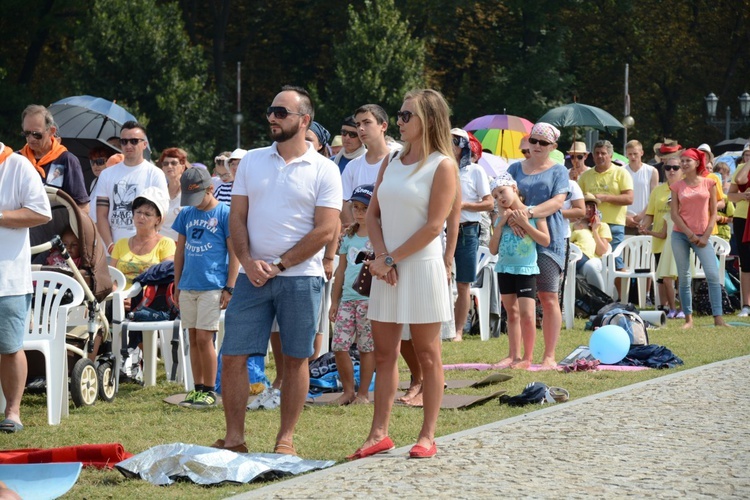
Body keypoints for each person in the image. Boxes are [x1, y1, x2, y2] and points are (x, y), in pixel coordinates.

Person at [216, 86, 341, 456]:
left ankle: (285, 438)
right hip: (252, 276)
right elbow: (237, 218)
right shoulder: (252, 160)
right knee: (234, 355)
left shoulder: (326, 170)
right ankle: (235, 438)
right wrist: (249, 261)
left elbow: (326, 229)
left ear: (305, 121)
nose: (271, 116)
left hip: (301, 277)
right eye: (270, 110)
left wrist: (280, 264)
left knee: (296, 357)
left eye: (281, 112)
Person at [349, 89, 457, 461]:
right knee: (384, 353)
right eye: (399, 114)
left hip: (421, 266)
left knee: (427, 353)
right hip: (387, 266)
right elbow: (373, 215)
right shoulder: (391, 160)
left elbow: (434, 226)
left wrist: (391, 260)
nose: (400, 120)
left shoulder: (442, 164)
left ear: (428, 120)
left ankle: (428, 435)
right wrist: (382, 258)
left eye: (406, 115)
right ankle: (378, 433)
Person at [172, 168, 238, 408]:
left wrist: (229, 286)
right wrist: (177, 283)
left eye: (197, 198)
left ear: (210, 189)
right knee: (192, 337)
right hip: (188, 285)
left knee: (204, 337)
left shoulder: (224, 214)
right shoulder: (187, 214)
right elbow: (179, 251)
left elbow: (234, 254)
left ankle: (210, 389)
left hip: (212, 285)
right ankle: (197, 387)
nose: (194, 204)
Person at [507, 122, 568, 369]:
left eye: (543, 143)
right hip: (517, 237)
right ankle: (520, 356)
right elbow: (501, 196)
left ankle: (549, 355)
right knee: (517, 300)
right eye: (534, 141)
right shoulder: (514, 168)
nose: (537, 146)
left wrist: (527, 213)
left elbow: (557, 202)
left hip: (547, 238)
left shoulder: (559, 171)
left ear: (553, 146)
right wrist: (515, 220)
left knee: (548, 295)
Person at [0, 141, 52, 433]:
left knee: (9, 347)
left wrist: (0, 217)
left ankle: (13, 412)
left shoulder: (17, 165)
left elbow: (42, 212)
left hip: (6, 278)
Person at [488, 173, 549, 370]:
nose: (500, 198)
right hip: (505, 268)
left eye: (502, 192)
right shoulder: (501, 217)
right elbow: (492, 249)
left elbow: (545, 240)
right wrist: (501, 224)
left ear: (514, 188)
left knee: (527, 315)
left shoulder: (534, 213)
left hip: (526, 270)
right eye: (496, 196)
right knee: (511, 314)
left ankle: (527, 357)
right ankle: (513, 355)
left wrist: (523, 223)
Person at [328, 184, 375, 406]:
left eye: (364, 208)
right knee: (339, 346)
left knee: (366, 347)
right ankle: (348, 391)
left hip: (369, 300)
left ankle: (363, 393)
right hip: (347, 299)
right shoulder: (348, 236)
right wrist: (334, 301)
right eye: (355, 207)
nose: (358, 212)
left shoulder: (379, 235)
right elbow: (341, 270)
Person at [670, 148, 728, 329]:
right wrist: (690, 235)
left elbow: (713, 212)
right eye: (683, 161)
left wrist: (706, 236)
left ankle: (718, 318)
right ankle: (688, 319)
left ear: (697, 163)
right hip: (680, 235)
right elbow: (674, 215)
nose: (684, 164)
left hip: (703, 235)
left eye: (688, 160)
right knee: (684, 276)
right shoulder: (677, 186)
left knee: (712, 275)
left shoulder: (709, 183)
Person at [94, 121, 168, 255]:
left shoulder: (155, 174)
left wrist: (146, 246)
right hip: (112, 251)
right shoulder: (106, 174)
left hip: (145, 252)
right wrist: (111, 246)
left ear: (144, 144)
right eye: (124, 141)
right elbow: (101, 215)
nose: (128, 145)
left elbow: (161, 217)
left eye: (134, 141)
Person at [449, 128, 492, 341]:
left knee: (463, 283)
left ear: (463, 146)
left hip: (467, 229)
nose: (450, 145)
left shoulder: (475, 171)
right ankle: (442, 328)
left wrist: (462, 205)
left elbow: (489, 202)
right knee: (439, 279)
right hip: (441, 230)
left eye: (454, 142)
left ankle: (458, 330)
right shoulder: (439, 168)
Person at [577, 140, 634, 281]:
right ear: (592, 156)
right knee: (592, 261)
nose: (600, 156)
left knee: (616, 263)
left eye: (603, 153)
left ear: (611, 155)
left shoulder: (621, 173)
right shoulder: (585, 175)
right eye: (597, 153)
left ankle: (622, 299)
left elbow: (629, 198)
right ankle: (597, 296)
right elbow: (578, 200)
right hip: (589, 225)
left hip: (614, 224)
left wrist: (606, 197)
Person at [18, 105, 89, 210]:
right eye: (27, 133)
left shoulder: (67, 160)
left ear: (51, 131)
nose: (31, 139)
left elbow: (82, 207)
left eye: (36, 134)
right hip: (21, 224)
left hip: (56, 224)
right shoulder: (17, 160)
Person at [640, 156, 682, 317]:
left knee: (679, 276)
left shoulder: (684, 188)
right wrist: (644, 224)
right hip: (660, 238)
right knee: (662, 276)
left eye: (675, 168)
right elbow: (650, 214)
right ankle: (665, 307)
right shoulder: (658, 190)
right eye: (668, 168)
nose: (671, 171)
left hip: (679, 238)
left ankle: (682, 308)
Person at [110, 186, 175, 286]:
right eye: (138, 212)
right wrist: (119, 296)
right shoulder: (120, 243)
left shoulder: (166, 243)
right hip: (120, 298)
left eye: (147, 214)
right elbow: (111, 276)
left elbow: (166, 277)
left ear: (158, 219)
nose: (141, 217)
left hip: (149, 299)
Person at [341, 104, 392, 226]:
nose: (361, 128)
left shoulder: (399, 160)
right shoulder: (352, 166)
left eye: (367, 122)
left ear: (383, 126)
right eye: (358, 124)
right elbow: (344, 203)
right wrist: (358, 232)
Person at [570, 194, 611, 292]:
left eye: (591, 206)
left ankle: (601, 300)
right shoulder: (572, 226)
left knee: (590, 266)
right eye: (585, 206)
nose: (588, 209)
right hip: (574, 259)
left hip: (594, 259)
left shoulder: (603, 226)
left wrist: (595, 230)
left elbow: (601, 252)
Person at [728, 144, 750, 317]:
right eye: (746, 154)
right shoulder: (742, 168)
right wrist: (743, 196)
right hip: (743, 218)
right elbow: (732, 193)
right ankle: (746, 305)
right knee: (746, 263)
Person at [624, 140, 658, 235]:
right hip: (625, 220)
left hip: (646, 220)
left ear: (641, 153)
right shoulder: (621, 171)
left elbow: (654, 197)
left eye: (635, 154)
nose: (633, 157)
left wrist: (641, 216)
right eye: (630, 154)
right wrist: (625, 217)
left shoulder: (652, 171)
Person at [158, 147, 190, 241]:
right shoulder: (159, 192)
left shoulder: (189, 193)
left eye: (174, 163)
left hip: (180, 245)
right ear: (162, 168)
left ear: (182, 167)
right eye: (165, 163)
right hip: (159, 244)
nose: (169, 166)